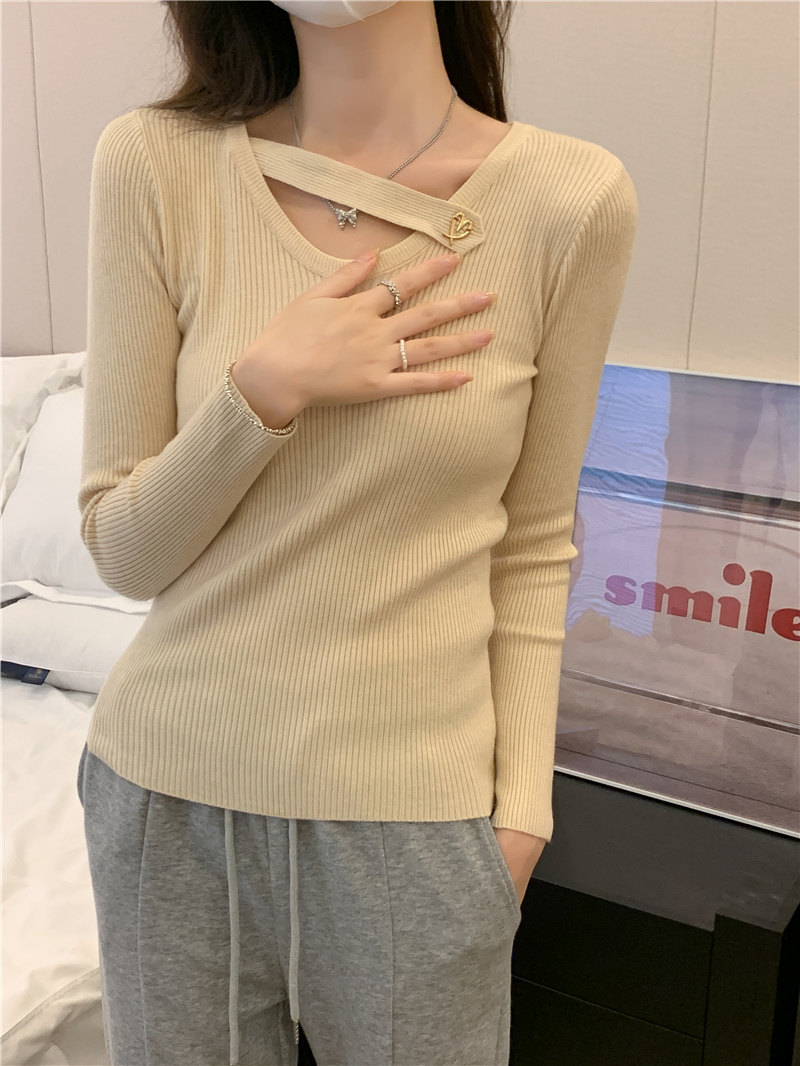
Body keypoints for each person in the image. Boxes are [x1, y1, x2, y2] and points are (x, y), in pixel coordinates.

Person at [76, 1, 638, 1064]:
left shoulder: (569, 199)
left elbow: (532, 541)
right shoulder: (153, 162)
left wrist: (521, 812)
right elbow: (120, 547)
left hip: (415, 821)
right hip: (164, 801)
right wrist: (260, 392)